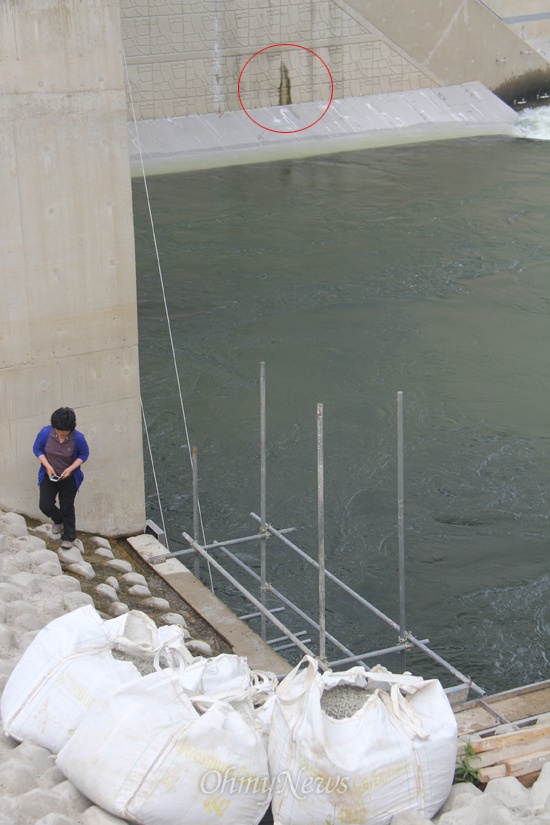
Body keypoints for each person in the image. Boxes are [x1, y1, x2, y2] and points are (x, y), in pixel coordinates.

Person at [33, 407, 90, 549]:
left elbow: (84, 455)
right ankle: (58, 520)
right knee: (45, 505)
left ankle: (69, 536)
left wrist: (70, 469)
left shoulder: (78, 438)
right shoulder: (46, 433)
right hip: (49, 475)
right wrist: (47, 465)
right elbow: (37, 449)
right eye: (57, 430)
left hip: (69, 478)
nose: (60, 433)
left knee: (67, 507)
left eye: (63, 431)